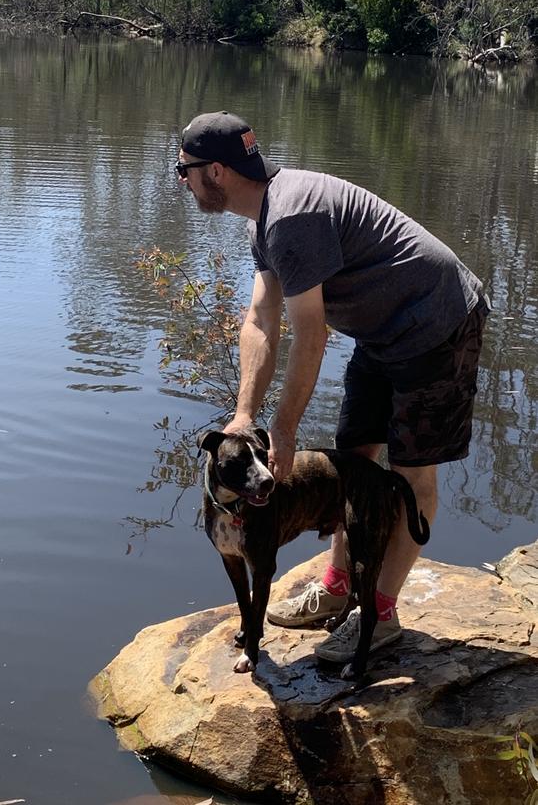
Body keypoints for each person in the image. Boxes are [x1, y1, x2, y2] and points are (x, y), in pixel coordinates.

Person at [175, 110, 490, 664]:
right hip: (382, 332)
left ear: (217, 171)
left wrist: (285, 428)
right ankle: (339, 588)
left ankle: (382, 613)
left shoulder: (290, 218)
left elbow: (310, 334)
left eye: (185, 172)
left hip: (437, 323)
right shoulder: (263, 217)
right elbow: (260, 319)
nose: (182, 182)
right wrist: (245, 414)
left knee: (411, 474)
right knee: (354, 460)